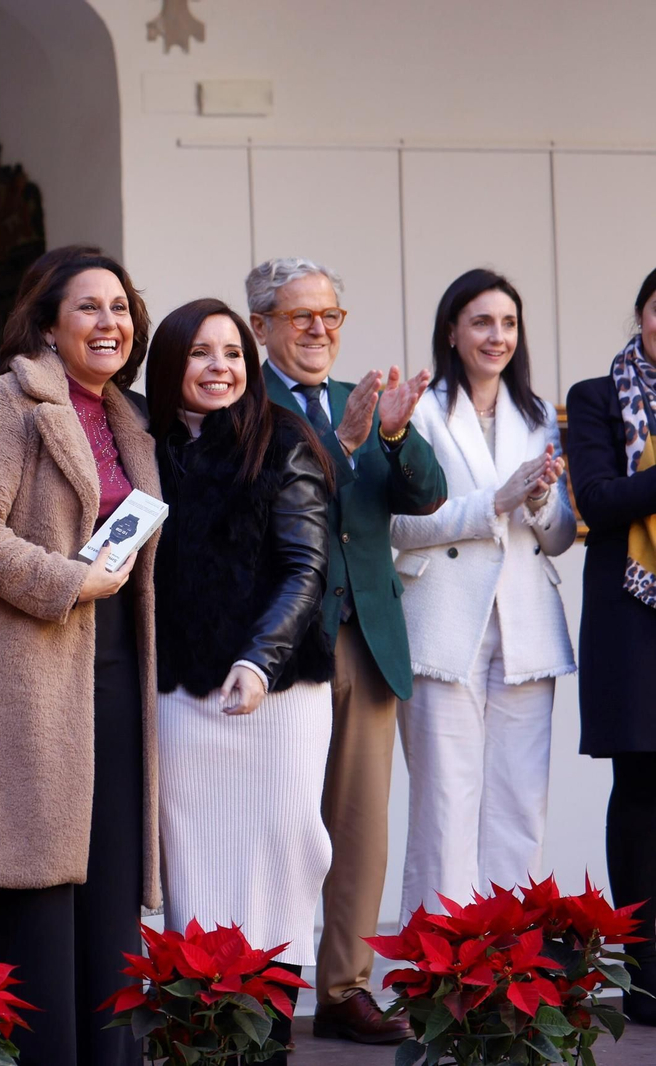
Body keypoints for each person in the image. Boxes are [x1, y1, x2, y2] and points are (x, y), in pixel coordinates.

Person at [0, 247, 159, 1066]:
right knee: (36, 908)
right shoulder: (7, 401)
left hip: (114, 677)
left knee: (108, 912)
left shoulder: (126, 417)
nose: (111, 323)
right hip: (30, 681)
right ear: (50, 324)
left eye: (121, 308)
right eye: (91, 308)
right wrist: (69, 581)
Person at [245, 258, 446, 1045]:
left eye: (331, 314)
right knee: (283, 825)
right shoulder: (241, 400)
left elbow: (424, 494)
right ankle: (263, 990)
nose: (321, 330)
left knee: (359, 826)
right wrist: (346, 439)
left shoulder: (357, 398)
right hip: (280, 643)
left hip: (365, 638)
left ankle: (344, 990)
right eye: (301, 317)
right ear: (261, 325)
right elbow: (255, 503)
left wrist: (392, 432)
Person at [149, 298, 335, 1065]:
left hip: (277, 698)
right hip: (181, 699)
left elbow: (307, 567)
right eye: (199, 353)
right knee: (193, 869)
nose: (220, 367)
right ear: (170, 366)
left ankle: (267, 1044)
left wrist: (260, 660)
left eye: (231, 352)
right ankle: (201, 1044)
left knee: (282, 858)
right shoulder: (144, 446)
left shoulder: (282, 440)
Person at [392, 269, 576, 919]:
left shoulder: (535, 414)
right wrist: (492, 502)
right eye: (481, 322)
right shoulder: (419, 410)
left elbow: (556, 539)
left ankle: (508, 976)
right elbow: (398, 525)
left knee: (520, 803)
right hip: (445, 620)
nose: (496, 336)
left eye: (508, 323)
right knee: (445, 803)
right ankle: (438, 978)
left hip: (525, 625)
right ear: (452, 331)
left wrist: (541, 498)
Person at [565, 267, 656, 1025]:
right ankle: (648, 975)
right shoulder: (597, 397)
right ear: (641, 314)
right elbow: (597, 498)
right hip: (634, 616)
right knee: (643, 795)